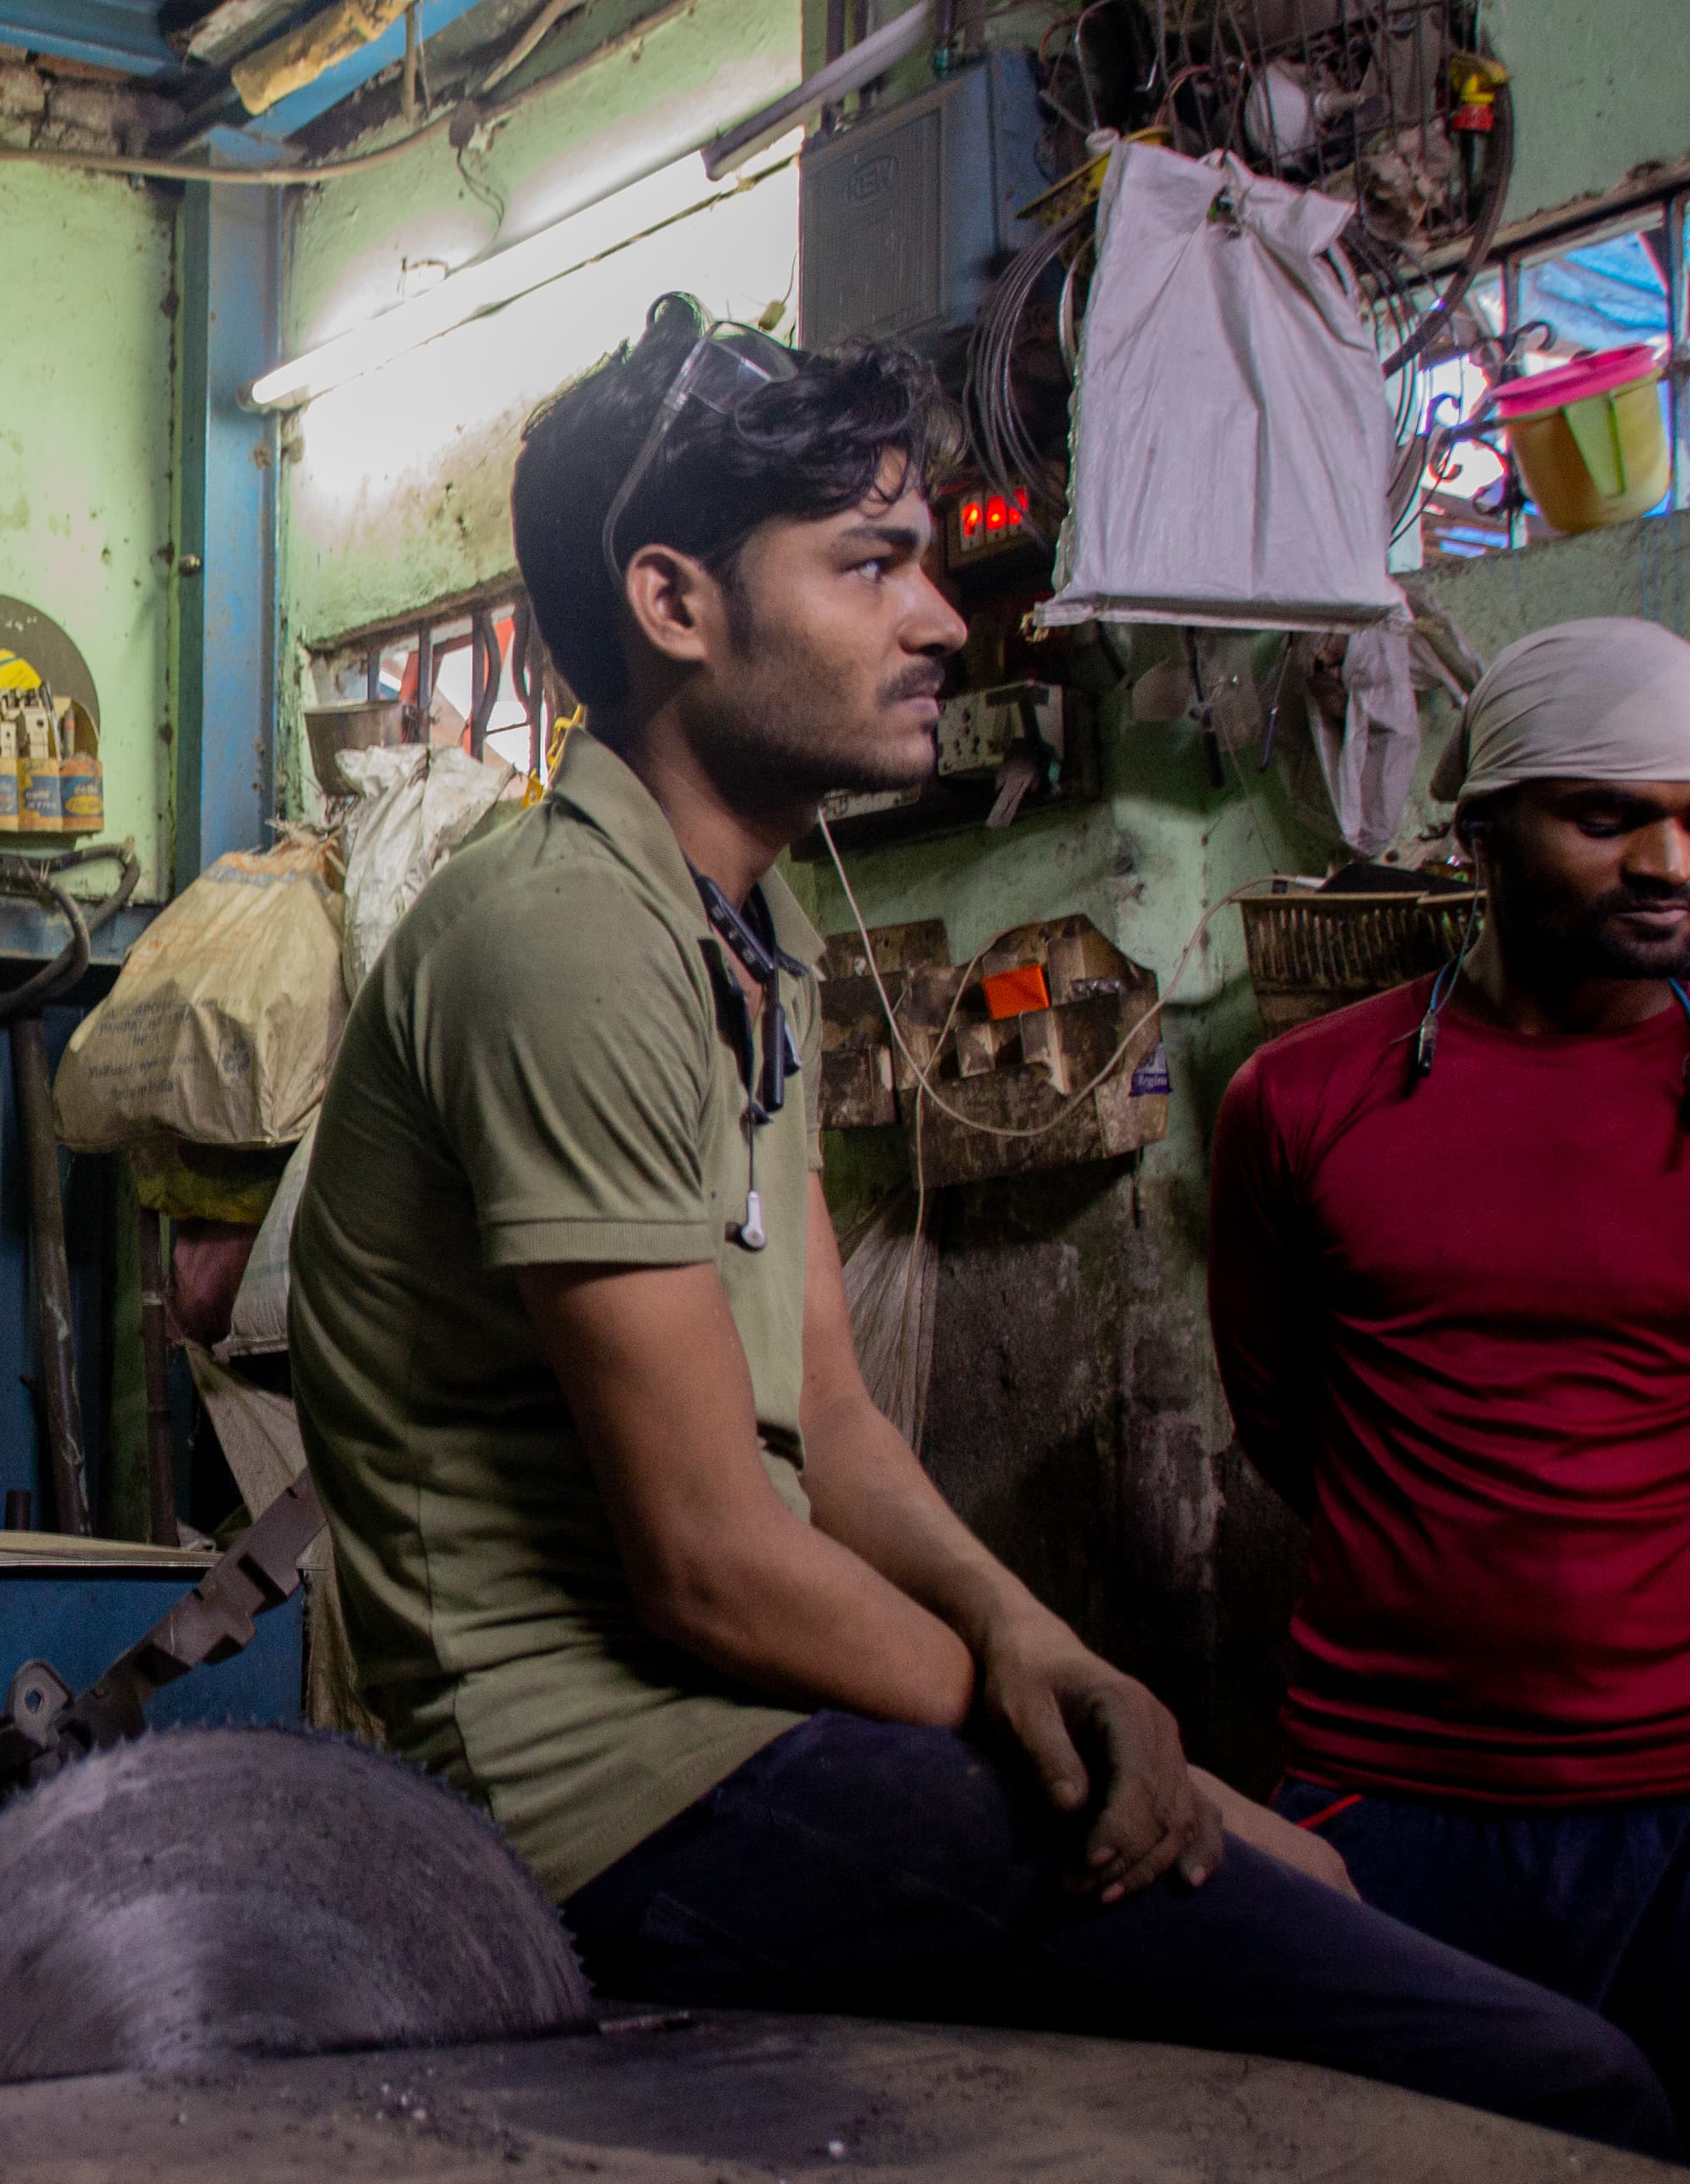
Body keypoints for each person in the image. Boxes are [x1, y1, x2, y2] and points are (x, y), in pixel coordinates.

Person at [284, 293, 1675, 2158]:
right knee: (1569, 2082)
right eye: (870, 565)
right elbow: (708, 1558)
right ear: (677, 604)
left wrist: (1052, 1650)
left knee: (1315, 1906)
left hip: (739, 1727)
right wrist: (1087, 1738)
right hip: (616, 1785)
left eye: (926, 564)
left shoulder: (741, 933)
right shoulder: (560, 933)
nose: (941, 618)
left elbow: (837, 1430)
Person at [1212, 615, 1690, 2106]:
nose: (1670, 863)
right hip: (1390, 1791)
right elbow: (1287, 1420)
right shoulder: (1302, 1100)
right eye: (1610, 817)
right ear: (1479, 836)